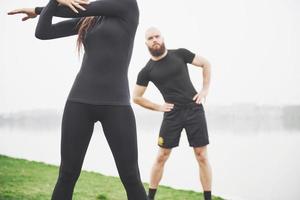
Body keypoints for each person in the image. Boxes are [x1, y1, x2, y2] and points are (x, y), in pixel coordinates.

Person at [7, 0, 148, 199]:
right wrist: (51, 4)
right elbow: (43, 32)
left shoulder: (127, 5)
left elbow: (76, 9)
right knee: (67, 174)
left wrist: (41, 9)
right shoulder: (89, 20)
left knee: (131, 177)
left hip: (116, 105)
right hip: (79, 102)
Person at [133, 27, 213, 200]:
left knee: (201, 156)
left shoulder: (180, 54)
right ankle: (150, 197)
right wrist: (158, 107)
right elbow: (136, 98)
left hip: (194, 109)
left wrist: (205, 89)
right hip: (172, 114)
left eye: (157, 36)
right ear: (146, 43)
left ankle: (208, 198)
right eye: (150, 38)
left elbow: (206, 63)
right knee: (162, 156)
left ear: (162, 38)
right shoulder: (147, 70)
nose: (154, 40)